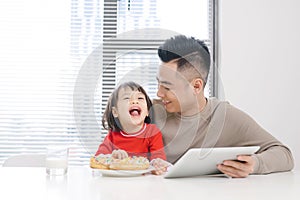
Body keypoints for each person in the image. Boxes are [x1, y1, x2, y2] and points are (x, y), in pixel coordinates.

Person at [153, 35, 294, 178]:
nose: (159, 93)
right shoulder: (148, 111)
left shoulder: (224, 117)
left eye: (167, 87)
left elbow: (284, 154)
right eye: (158, 83)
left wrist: (254, 164)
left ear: (196, 86)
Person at [95, 81, 170, 175]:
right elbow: (98, 158)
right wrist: (112, 156)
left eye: (140, 98)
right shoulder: (112, 136)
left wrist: (157, 165)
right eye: (127, 98)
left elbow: (158, 158)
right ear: (115, 112)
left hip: (144, 183)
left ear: (147, 111)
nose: (135, 101)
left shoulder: (152, 132)